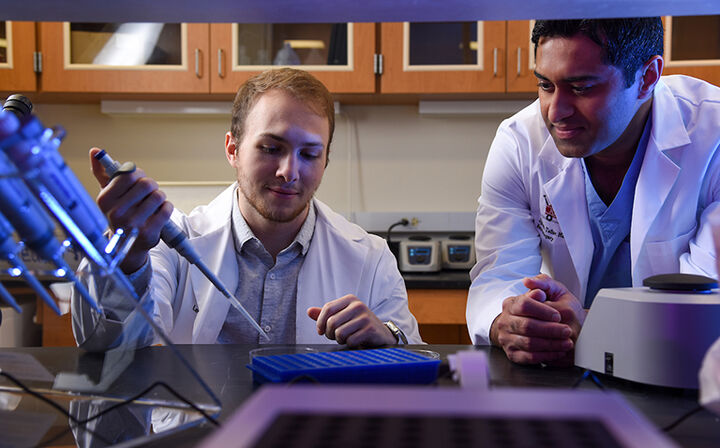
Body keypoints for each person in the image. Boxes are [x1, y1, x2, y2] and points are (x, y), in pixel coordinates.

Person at [72, 67, 421, 350]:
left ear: (326, 160)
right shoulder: (172, 243)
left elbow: (417, 362)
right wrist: (129, 254)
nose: (288, 171)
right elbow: (108, 343)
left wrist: (389, 338)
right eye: (271, 148)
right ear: (233, 150)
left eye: (310, 154)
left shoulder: (371, 258)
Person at [466, 18, 720, 365]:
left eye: (582, 87)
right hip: (564, 370)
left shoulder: (713, 136)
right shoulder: (519, 143)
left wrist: (591, 325)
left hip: (686, 376)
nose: (556, 112)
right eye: (545, 85)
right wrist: (509, 322)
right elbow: (498, 275)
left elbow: (707, 307)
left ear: (647, 78)